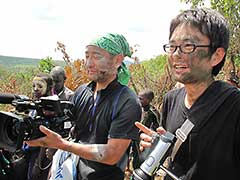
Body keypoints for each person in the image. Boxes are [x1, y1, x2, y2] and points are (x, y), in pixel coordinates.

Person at [135, 8, 240, 180]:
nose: (176, 54)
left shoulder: (234, 107)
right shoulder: (171, 99)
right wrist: (156, 149)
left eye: (188, 46)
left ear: (216, 55)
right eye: (172, 46)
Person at [26, 33, 142, 180]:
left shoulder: (127, 101)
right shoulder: (82, 91)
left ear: (117, 60)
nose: (88, 63)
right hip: (71, 171)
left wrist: (63, 145)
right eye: (87, 56)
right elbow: (65, 123)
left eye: (97, 56)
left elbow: (111, 155)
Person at [24, 73, 54, 180]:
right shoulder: (33, 103)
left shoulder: (51, 108)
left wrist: (39, 161)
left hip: (40, 152)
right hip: (28, 148)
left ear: (49, 88)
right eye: (34, 86)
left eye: (40, 86)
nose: (36, 89)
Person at [131, 89, 161, 170]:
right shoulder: (137, 108)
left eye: (141, 98)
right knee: (136, 159)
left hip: (147, 141)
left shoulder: (153, 112)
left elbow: (159, 126)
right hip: (136, 139)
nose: (138, 100)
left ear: (148, 100)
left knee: (145, 162)